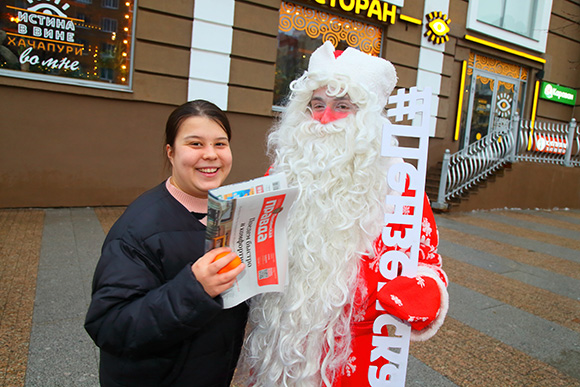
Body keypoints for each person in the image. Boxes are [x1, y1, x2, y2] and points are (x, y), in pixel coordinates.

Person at [243, 41, 449, 386]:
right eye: (317, 104)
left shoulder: (400, 185)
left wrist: (424, 290)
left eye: (342, 106)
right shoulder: (281, 174)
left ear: (367, 119)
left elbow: (427, 263)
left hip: (355, 358)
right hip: (280, 350)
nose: (324, 118)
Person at [85, 100, 248, 387]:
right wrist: (195, 289)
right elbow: (110, 325)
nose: (210, 155)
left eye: (220, 144)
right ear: (171, 153)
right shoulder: (139, 228)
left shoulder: (232, 212)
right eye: (195, 144)